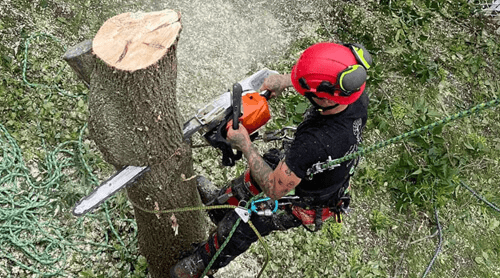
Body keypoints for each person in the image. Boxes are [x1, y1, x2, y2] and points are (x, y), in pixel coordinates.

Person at [170, 42, 372, 278]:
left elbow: (275, 189)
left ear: (325, 99)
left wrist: (245, 145)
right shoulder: (351, 93)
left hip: (305, 198)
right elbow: (319, 82)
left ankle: (203, 261)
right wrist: (286, 80)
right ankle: (218, 204)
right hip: (305, 163)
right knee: (255, 175)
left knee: (244, 224)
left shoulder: (315, 142)